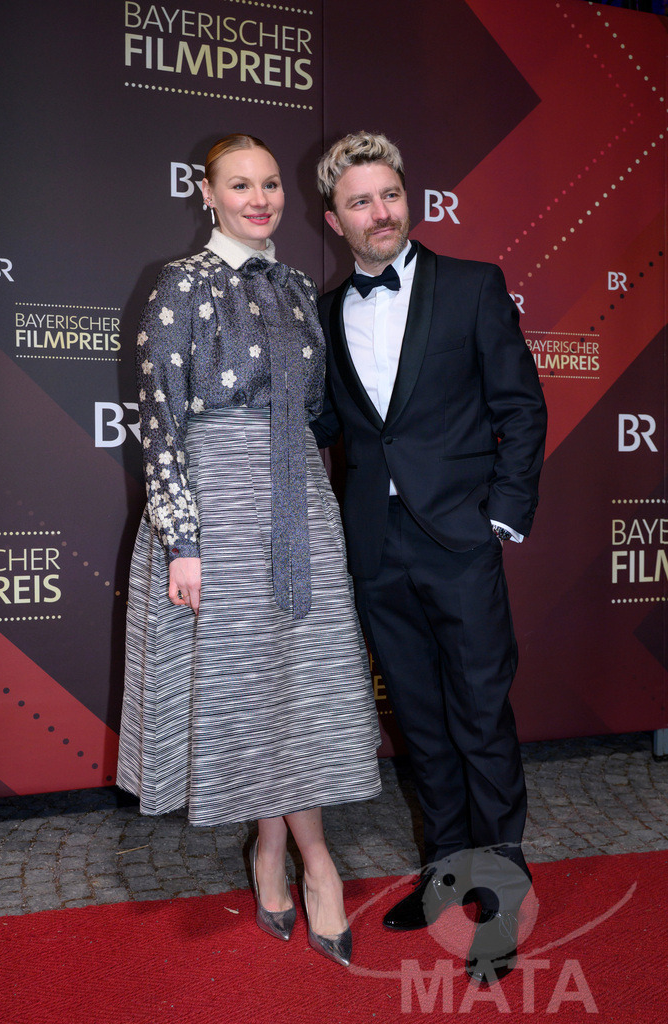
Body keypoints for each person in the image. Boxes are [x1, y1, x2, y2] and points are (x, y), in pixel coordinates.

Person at [117, 132, 381, 968]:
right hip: (218, 508)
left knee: (299, 683)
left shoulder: (301, 286)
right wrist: (182, 543)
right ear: (207, 192)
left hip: (300, 498)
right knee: (252, 687)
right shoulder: (178, 287)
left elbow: (316, 411)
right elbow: (159, 421)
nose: (260, 199)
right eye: (241, 184)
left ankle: (273, 848)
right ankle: (315, 861)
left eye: (270, 184)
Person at [312, 131, 547, 983]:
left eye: (390, 196)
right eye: (360, 202)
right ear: (333, 218)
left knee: (481, 720)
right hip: (375, 552)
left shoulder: (473, 287)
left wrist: (502, 519)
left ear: (406, 198)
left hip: (459, 542)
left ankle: (501, 904)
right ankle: (447, 879)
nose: (381, 214)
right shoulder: (327, 313)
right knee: (420, 726)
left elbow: (521, 407)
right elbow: (332, 428)